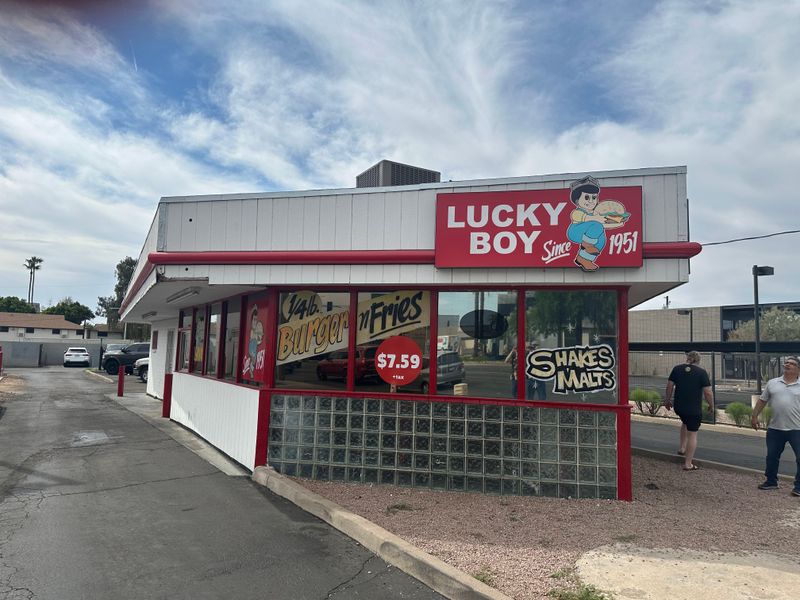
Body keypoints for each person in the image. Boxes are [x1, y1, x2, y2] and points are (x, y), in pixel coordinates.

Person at [750, 356, 800, 496]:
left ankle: (798, 487)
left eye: (792, 363)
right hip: (775, 428)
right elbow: (762, 401)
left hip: (797, 429)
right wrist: (754, 416)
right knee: (772, 456)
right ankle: (771, 481)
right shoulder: (773, 383)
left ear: (798, 369)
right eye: (786, 363)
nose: (787, 365)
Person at [663, 351, 713, 470]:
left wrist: (667, 400)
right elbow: (708, 392)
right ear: (698, 360)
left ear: (688, 358)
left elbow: (669, 385)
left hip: (679, 407)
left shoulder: (677, 369)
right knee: (693, 434)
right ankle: (688, 464)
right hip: (693, 409)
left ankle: (682, 448)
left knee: (684, 422)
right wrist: (711, 405)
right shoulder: (702, 372)